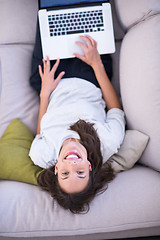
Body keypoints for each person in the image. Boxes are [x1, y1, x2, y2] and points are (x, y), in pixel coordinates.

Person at [29, 33, 125, 214]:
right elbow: (116, 111)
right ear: (89, 167)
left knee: (50, 15)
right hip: (88, 74)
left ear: (56, 169)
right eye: (80, 173)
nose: (72, 166)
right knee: (84, 12)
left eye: (65, 174)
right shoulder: (107, 143)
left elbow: (41, 134)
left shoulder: (42, 155)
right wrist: (97, 65)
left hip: (50, 82)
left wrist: (45, 93)